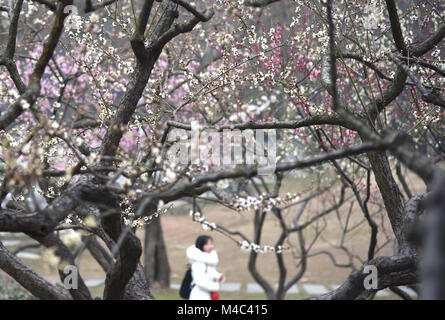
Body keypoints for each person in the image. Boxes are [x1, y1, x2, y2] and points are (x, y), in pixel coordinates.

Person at [186, 235, 225, 300]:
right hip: (199, 296)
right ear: (201, 246)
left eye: (211, 243)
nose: (211, 246)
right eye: (207, 244)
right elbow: (200, 282)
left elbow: (211, 275)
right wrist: (216, 285)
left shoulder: (209, 263)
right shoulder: (198, 263)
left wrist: (220, 277)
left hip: (207, 295)